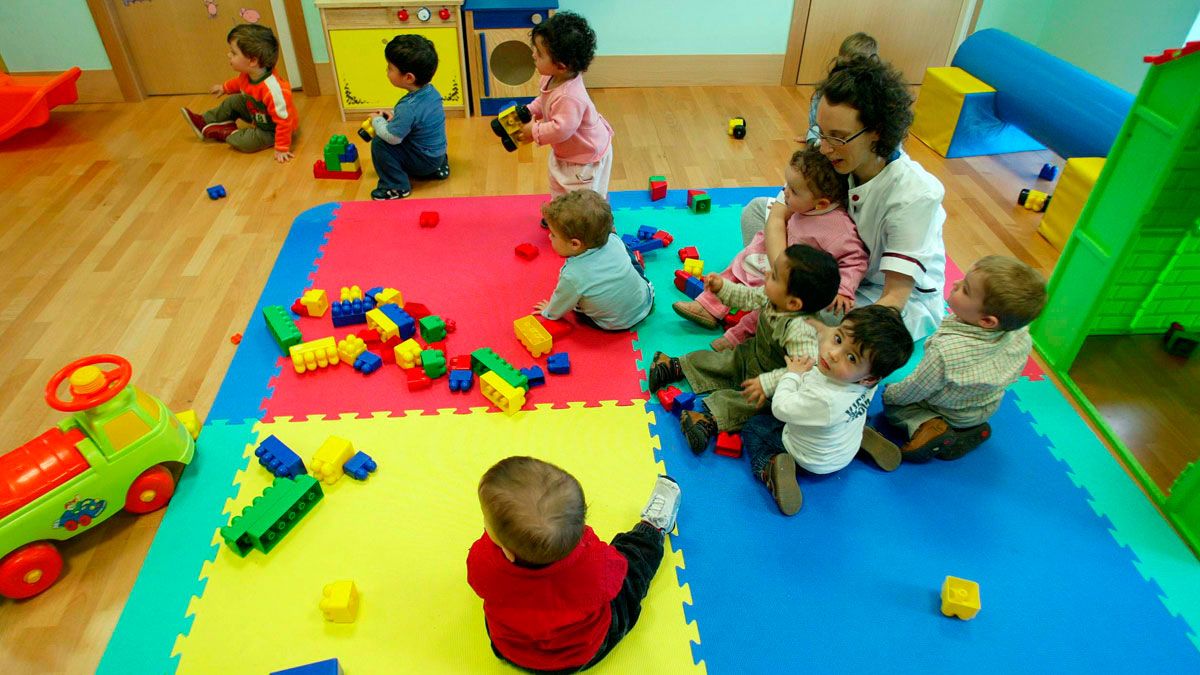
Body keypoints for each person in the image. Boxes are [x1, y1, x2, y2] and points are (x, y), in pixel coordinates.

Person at [753, 55, 947, 341]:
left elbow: (895, 296)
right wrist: (790, 278)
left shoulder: (914, 195)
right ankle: (784, 297)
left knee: (829, 321)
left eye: (838, 137)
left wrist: (834, 335)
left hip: (877, 293)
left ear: (876, 133)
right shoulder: (831, 155)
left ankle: (783, 304)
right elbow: (780, 211)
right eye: (821, 132)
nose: (825, 147)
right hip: (825, 265)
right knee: (756, 211)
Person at [467, 457, 682, 673]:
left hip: (511, 649)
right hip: (579, 655)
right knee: (633, 567)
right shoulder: (594, 565)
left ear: (508, 551)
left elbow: (478, 580)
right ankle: (653, 528)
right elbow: (618, 572)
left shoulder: (483, 561)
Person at [648, 245, 841, 453]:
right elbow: (746, 297)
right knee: (723, 361)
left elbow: (803, 371)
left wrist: (766, 383)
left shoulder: (802, 330)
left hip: (774, 382)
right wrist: (722, 287)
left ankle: (708, 419)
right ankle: (675, 366)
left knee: (751, 405)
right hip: (751, 355)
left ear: (793, 303)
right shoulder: (775, 295)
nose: (767, 274)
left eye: (774, 275)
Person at [673, 147, 866, 351]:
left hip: (794, 278)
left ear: (822, 203)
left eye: (793, 191)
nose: (785, 193)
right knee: (739, 265)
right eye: (786, 185)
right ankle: (708, 306)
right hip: (778, 257)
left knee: (770, 307)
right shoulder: (806, 206)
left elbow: (855, 260)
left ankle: (736, 338)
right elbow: (778, 222)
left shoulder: (838, 228)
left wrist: (844, 290)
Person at [863, 255, 1047, 462]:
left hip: (947, 411)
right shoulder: (1021, 333)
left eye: (966, 290)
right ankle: (965, 433)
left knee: (896, 408)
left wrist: (890, 394)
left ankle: (928, 426)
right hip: (985, 407)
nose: (957, 283)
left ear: (987, 321)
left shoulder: (947, 351)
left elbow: (918, 387)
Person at [741, 305, 913, 515]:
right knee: (847, 417)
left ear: (868, 377)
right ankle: (860, 439)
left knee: (754, 427)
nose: (832, 354)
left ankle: (770, 465)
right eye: (838, 339)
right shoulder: (866, 382)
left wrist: (792, 375)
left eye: (851, 358)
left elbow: (780, 408)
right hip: (842, 443)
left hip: (808, 458)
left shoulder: (825, 400)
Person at [514, 11, 614, 199]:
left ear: (561, 66)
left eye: (540, 53)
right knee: (558, 183)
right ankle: (561, 213)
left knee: (584, 197)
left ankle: (598, 222)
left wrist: (534, 131)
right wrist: (530, 110)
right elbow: (544, 100)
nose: (533, 54)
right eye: (534, 48)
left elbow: (561, 129)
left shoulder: (571, 96)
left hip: (586, 158)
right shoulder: (550, 77)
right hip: (568, 152)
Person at [536, 190, 653, 330]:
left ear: (575, 244)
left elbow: (560, 302)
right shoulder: (612, 240)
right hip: (646, 301)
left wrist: (548, 312)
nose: (549, 237)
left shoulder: (572, 275)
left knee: (577, 306)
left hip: (615, 323)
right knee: (625, 253)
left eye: (553, 235)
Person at [181, 24, 298, 163]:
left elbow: (284, 122)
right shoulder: (247, 75)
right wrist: (224, 88)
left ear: (253, 61)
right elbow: (239, 83)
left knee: (243, 142)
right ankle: (204, 121)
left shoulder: (274, 90)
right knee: (234, 101)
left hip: (271, 130)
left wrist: (282, 148)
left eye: (234, 53)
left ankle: (227, 132)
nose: (228, 55)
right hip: (256, 112)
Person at [367, 34, 450, 200]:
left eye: (390, 68)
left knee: (380, 144)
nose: (387, 71)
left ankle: (396, 186)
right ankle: (438, 167)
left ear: (409, 77)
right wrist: (395, 117)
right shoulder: (432, 92)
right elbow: (418, 121)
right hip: (437, 155)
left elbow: (393, 138)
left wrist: (377, 122)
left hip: (424, 162)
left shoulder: (408, 107)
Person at [804, 33, 878, 145]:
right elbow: (817, 120)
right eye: (844, 66)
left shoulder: (875, 89)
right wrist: (816, 130)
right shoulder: (830, 87)